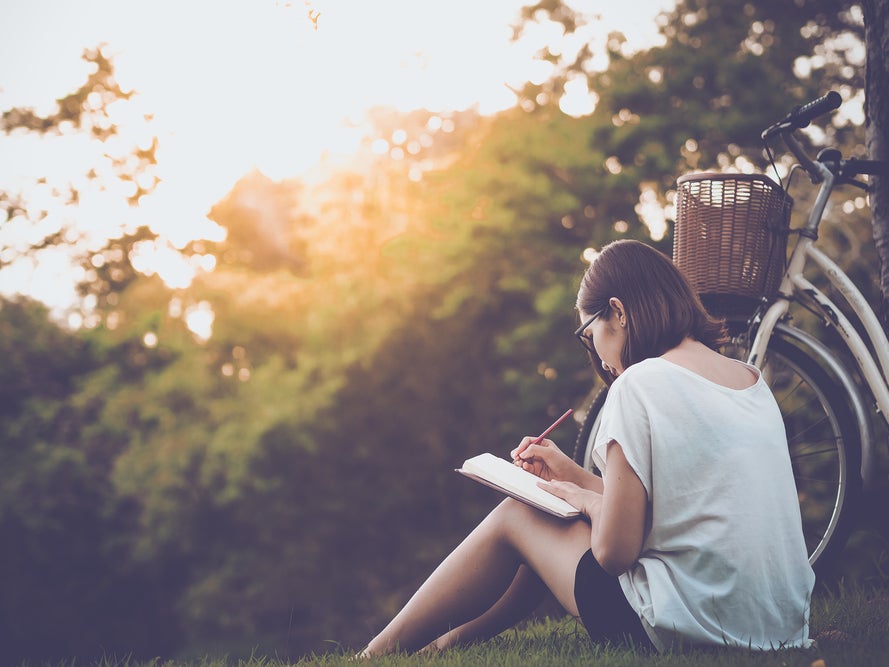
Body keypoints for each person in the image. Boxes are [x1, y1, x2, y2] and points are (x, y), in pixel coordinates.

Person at [359, 239, 815, 656]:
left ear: (618, 312)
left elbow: (615, 551)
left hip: (688, 624)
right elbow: (676, 507)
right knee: (548, 512)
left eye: (589, 334)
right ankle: (441, 647)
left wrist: (580, 500)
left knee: (517, 514)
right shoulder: (749, 380)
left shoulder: (640, 383)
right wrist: (571, 476)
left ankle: (376, 653)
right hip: (773, 624)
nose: (596, 355)